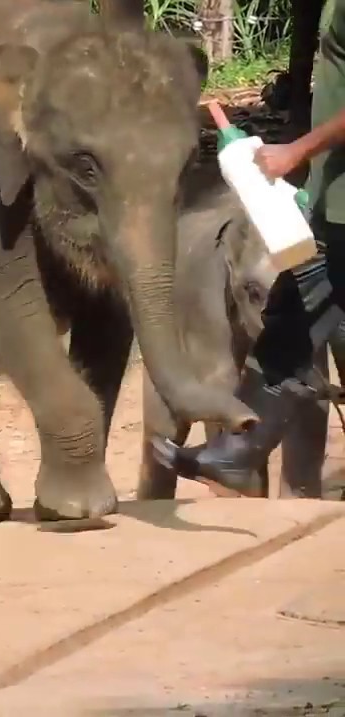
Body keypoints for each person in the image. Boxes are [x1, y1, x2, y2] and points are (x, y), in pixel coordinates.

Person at [152, 0, 345, 494]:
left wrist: (297, 151)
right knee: (295, 313)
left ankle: (240, 452)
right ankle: (240, 452)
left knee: (300, 313)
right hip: (334, 204)